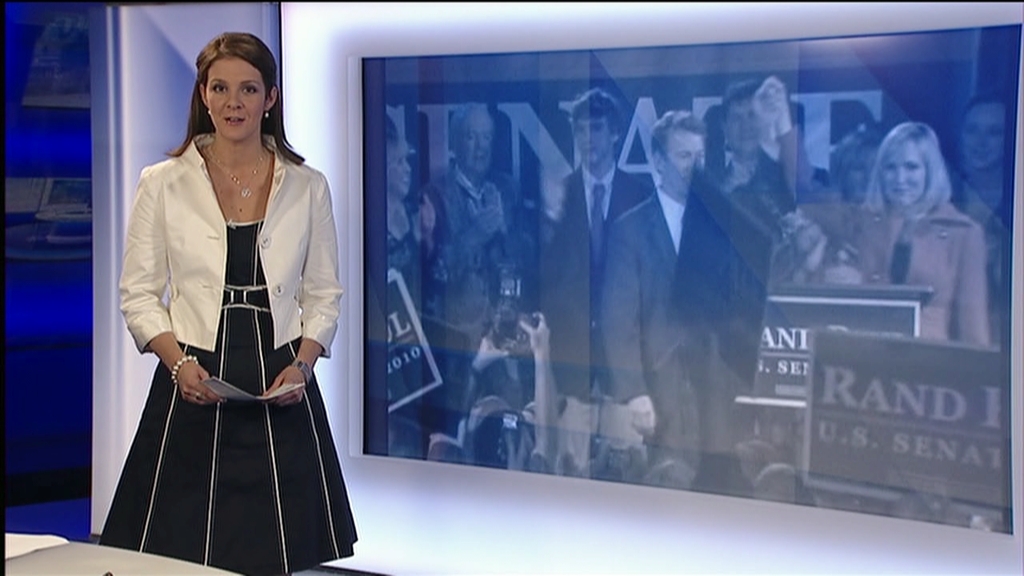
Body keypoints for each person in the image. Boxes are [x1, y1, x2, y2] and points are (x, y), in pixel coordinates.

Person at [99, 32, 357, 575]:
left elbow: (324, 293)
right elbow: (138, 293)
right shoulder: (162, 183)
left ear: (270, 98)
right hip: (194, 368)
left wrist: (303, 366)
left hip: (279, 371)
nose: (233, 103)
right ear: (203, 95)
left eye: (248, 89)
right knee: (183, 542)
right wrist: (177, 365)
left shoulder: (307, 185)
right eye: (220, 88)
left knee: (275, 544)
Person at [537, 87, 653, 477]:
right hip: (573, 368)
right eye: (581, 130)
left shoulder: (641, 196)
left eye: (597, 128)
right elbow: (546, 282)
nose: (588, 138)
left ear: (615, 133)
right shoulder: (559, 196)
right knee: (569, 478)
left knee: (627, 480)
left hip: (625, 371)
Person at [801, 122, 990, 346]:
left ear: (930, 171)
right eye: (890, 168)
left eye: (911, 167)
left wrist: (863, 284)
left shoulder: (964, 233)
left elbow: (974, 331)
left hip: (929, 360)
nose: (900, 179)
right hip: (862, 356)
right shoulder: (860, 224)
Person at [599, 110, 707, 488]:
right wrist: (634, 392)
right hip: (661, 395)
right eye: (684, 156)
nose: (695, 167)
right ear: (658, 162)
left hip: (712, 397)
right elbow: (617, 320)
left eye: (700, 156)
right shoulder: (630, 230)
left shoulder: (719, 227)